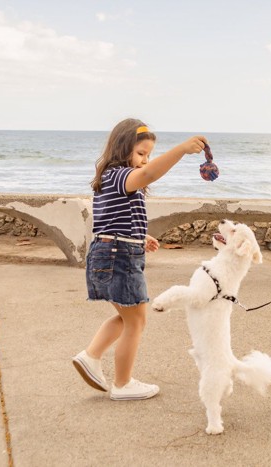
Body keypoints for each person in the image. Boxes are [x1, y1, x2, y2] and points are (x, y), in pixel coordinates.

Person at [73, 118, 208, 401]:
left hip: (112, 250)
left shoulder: (109, 178)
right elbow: (147, 177)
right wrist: (181, 150)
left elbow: (112, 220)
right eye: (141, 154)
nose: (145, 161)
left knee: (127, 317)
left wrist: (140, 237)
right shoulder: (119, 174)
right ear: (122, 149)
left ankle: (91, 356)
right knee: (136, 321)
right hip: (118, 256)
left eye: (148, 155)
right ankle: (122, 384)